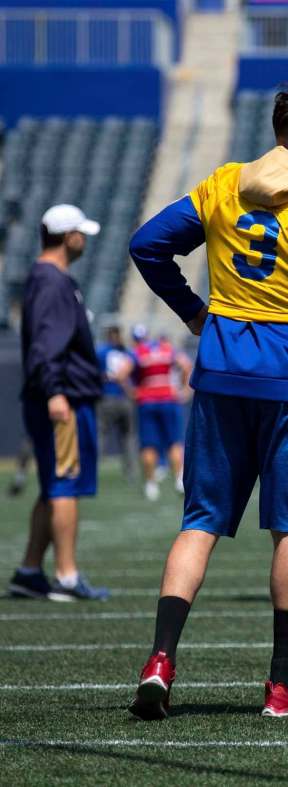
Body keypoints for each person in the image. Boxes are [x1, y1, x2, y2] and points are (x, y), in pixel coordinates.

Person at [126, 85, 288, 720]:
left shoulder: (223, 185)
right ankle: (283, 687)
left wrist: (195, 314)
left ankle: (159, 661)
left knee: (200, 523)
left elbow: (147, 245)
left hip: (220, 372)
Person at [8, 204, 109, 601]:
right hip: (62, 398)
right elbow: (47, 348)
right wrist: (55, 393)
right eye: (81, 232)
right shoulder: (52, 281)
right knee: (64, 484)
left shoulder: (49, 279)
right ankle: (67, 577)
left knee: (53, 485)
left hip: (58, 394)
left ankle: (29, 570)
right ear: (69, 237)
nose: (84, 239)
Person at [129, 325, 192, 500]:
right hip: (168, 399)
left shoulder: (139, 352)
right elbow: (186, 365)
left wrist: (131, 391)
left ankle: (150, 484)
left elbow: (121, 373)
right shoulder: (167, 349)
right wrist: (185, 390)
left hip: (147, 401)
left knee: (149, 444)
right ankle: (179, 479)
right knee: (174, 442)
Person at [95, 323, 137, 482]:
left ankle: (94, 469)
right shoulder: (127, 352)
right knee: (128, 436)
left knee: (101, 434)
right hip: (123, 398)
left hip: (107, 397)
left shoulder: (101, 351)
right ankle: (131, 472)